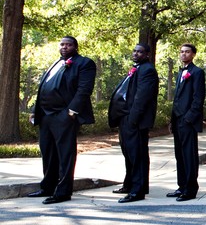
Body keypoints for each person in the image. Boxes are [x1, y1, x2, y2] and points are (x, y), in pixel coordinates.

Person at [27, 36, 96, 204]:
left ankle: (63, 192)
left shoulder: (84, 63)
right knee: (48, 152)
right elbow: (43, 88)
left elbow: (84, 89)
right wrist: (35, 111)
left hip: (63, 115)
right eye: (62, 44)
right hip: (45, 115)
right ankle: (47, 187)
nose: (65, 47)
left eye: (69, 45)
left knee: (65, 154)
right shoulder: (55, 63)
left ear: (75, 47)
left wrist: (71, 112)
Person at [108, 43, 159, 203]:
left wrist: (132, 119)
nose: (136, 54)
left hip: (135, 121)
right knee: (128, 154)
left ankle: (138, 190)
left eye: (140, 52)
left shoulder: (148, 70)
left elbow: (142, 97)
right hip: (125, 118)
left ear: (147, 55)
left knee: (137, 155)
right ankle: (129, 184)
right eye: (135, 51)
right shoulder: (136, 69)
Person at [167, 43, 206, 202]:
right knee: (179, 155)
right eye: (181, 52)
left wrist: (189, 118)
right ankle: (181, 186)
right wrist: (172, 119)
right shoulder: (180, 73)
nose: (183, 54)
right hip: (177, 120)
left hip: (188, 121)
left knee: (189, 155)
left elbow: (198, 98)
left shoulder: (197, 72)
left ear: (193, 54)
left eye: (187, 52)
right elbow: (176, 99)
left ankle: (190, 189)